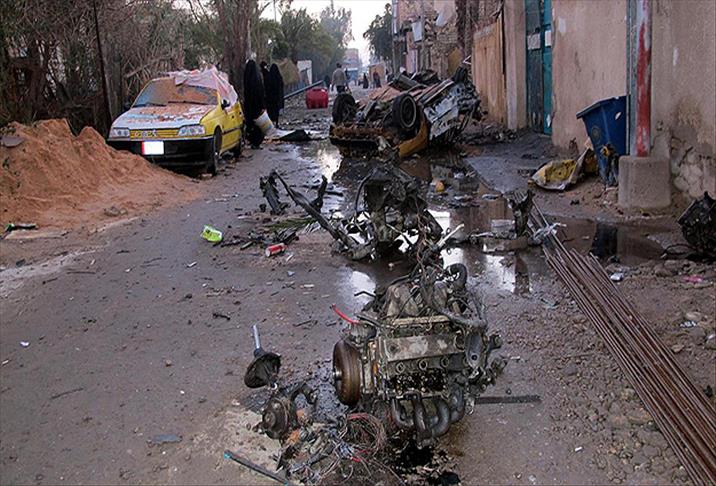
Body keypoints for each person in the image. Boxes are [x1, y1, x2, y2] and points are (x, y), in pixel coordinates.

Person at [243, 59, 266, 148]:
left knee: (251, 124)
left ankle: (252, 140)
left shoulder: (247, 79)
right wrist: (263, 106)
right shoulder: (257, 80)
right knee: (258, 125)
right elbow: (261, 94)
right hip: (257, 107)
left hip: (249, 106)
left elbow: (246, 93)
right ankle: (256, 142)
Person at [265, 63, 284, 127]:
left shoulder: (269, 77)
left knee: (271, 112)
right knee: (276, 112)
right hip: (277, 99)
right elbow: (281, 89)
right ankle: (276, 123)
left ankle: (271, 123)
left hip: (270, 99)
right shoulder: (279, 77)